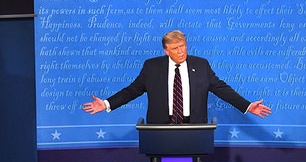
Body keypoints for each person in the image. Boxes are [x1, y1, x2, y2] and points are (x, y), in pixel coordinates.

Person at [82, 30, 271, 123]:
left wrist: (247, 106)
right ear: (166, 51)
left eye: (183, 46)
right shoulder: (152, 67)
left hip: (193, 128)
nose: (181, 52)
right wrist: (106, 104)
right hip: (161, 129)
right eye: (175, 48)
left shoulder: (201, 65)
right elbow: (132, 90)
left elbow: (222, 89)